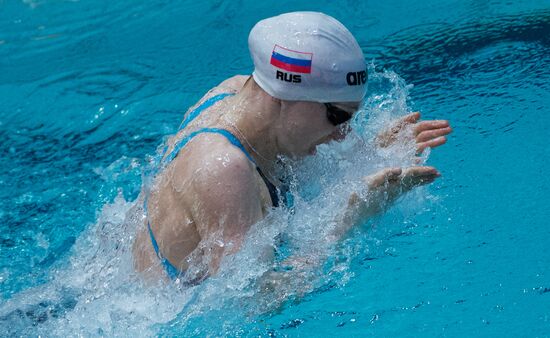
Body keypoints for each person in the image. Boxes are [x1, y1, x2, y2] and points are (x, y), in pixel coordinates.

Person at [132, 12, 452, 284]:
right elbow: (249, 307)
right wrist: (345, 228)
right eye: (337, 116)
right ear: (282, 97)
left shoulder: (237, 94)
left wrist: (376, 155)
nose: (343, 135)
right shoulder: (224, 169)